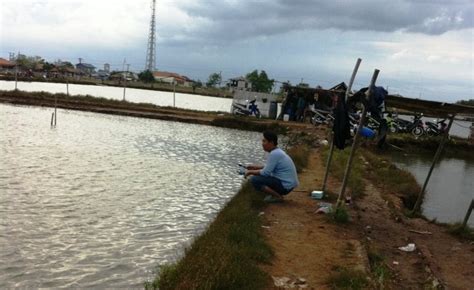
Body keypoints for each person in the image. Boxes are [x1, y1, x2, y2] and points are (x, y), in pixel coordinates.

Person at [244, 131, 299, 203]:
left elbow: (265, 173)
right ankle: (274, 195)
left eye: (264, 141)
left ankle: (278, 197)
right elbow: (269, 167)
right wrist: (255, 167)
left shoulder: (274, 154)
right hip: (288, 185)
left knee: (255, 180)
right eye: (262, 141)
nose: (262, 144)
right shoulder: (277, 152)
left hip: (285, 187)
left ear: (271, 142)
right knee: (260, 177)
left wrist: (250, 172)